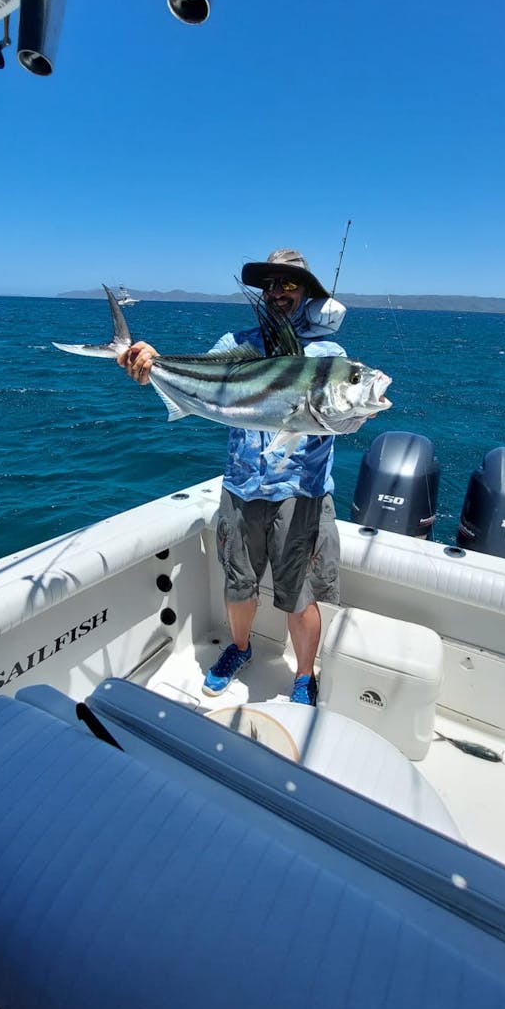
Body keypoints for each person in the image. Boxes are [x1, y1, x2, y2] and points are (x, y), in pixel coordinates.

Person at [118, 249, 348, 707]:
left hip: (300, 493)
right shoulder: (236, 343)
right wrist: (150, 364)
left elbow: (345, 416)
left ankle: (304, 676)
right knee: (238, 583)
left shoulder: (327, 356)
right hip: (242, 487)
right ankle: (240, 649)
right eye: (272, 285)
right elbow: (195, 375)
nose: (279, 292)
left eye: (290, 284)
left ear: (306, 293)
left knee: (300, 593)